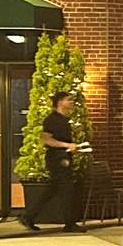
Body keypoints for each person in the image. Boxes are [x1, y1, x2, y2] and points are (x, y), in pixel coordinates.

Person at [20, 91, 85, 232]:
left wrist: (73, 148)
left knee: (53, 190)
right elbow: (46, 139)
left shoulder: (63, 119)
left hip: (63, 157)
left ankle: (29, 216)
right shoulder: (52, 120)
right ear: (60, 102)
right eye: (69, 100)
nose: (71, 102)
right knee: (66, 189)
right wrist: (67, 146)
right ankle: (69, 223)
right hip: (57, 159)